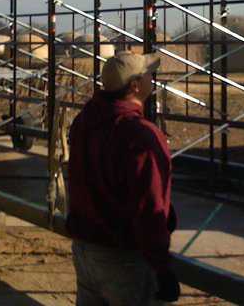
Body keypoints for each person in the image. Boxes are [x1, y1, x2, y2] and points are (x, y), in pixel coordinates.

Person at [67, 50, 180, 306]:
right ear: (135, 85)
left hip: (85, 250)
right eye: (149, 74)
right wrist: (161, 267)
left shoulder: (85, 121)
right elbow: (150, 207)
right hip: (123, 258)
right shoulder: (141, 136)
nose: (153, 78)